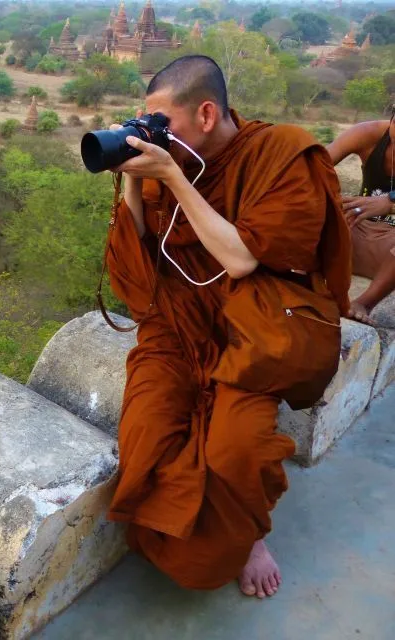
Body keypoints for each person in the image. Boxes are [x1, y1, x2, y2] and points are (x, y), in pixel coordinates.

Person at [103, 56, 351, 598]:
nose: (153, 136)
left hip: (255, 325)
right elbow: (138, 262)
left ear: (207, 113)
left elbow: (241, 260)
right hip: (178, 323)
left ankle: (250, 537)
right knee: (144, 431)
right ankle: (172, 530)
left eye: (162, 124)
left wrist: (171, 175)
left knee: (234, 449)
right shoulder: (176, 160)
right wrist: (130, 182)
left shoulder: (281, 154)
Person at [327, 109, 395, 324]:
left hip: (389, 252)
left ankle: (363, 303)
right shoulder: (367, 133)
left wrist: (389, 202)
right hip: (355, 230)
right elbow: (311, 168)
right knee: (311, 209)